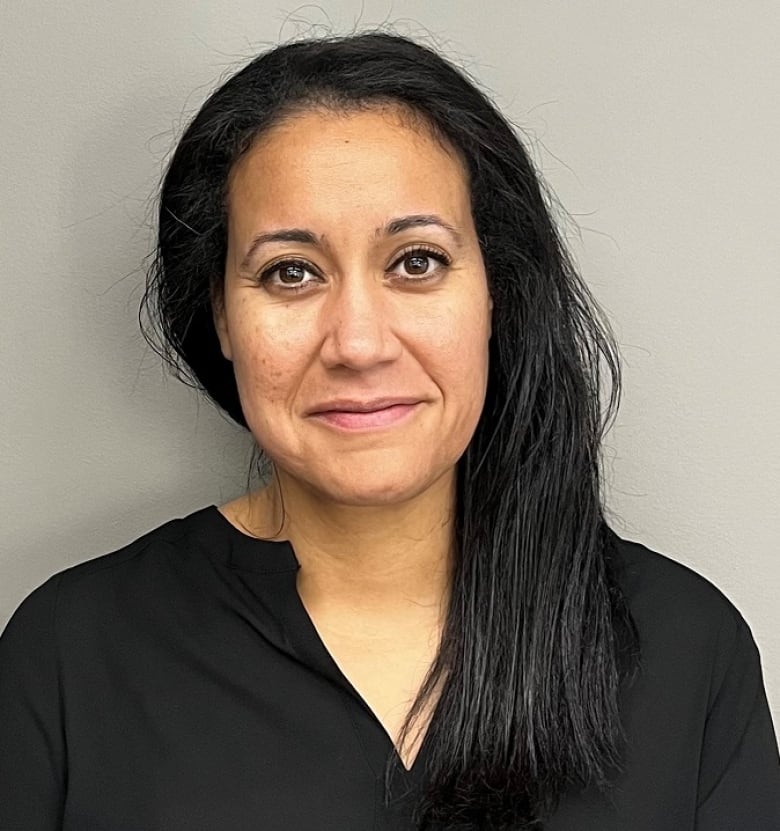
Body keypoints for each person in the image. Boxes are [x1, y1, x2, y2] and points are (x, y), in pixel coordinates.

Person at [0, 31, 778, 831]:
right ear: (222, 318)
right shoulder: (70, 656)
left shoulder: (686, 649)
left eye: (416, 262)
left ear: (495, 294)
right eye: (289, 272)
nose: (360, 343)